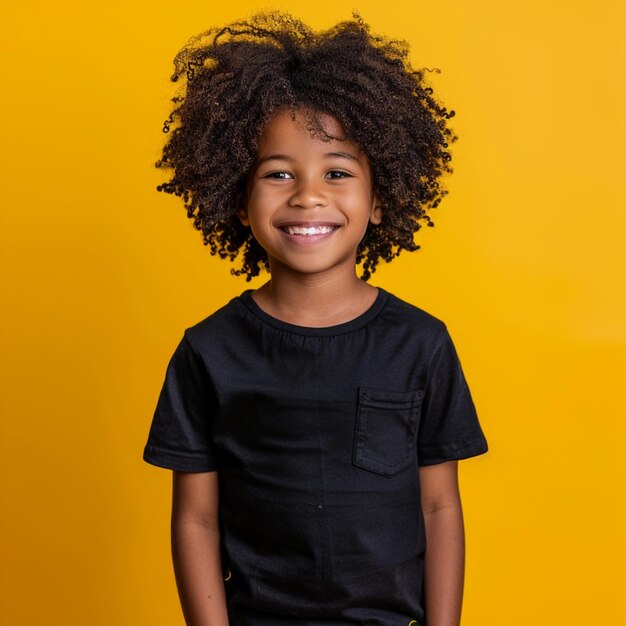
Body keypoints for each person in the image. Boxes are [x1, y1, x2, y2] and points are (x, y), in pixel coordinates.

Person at [143, 11, 488, 626]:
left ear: (380, 199)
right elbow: (195, 516)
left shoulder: (421, 344)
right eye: (278, 174)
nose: (307, 195)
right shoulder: (208, 351)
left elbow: (439, 507)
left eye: (337, 172)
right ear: (239, 203)